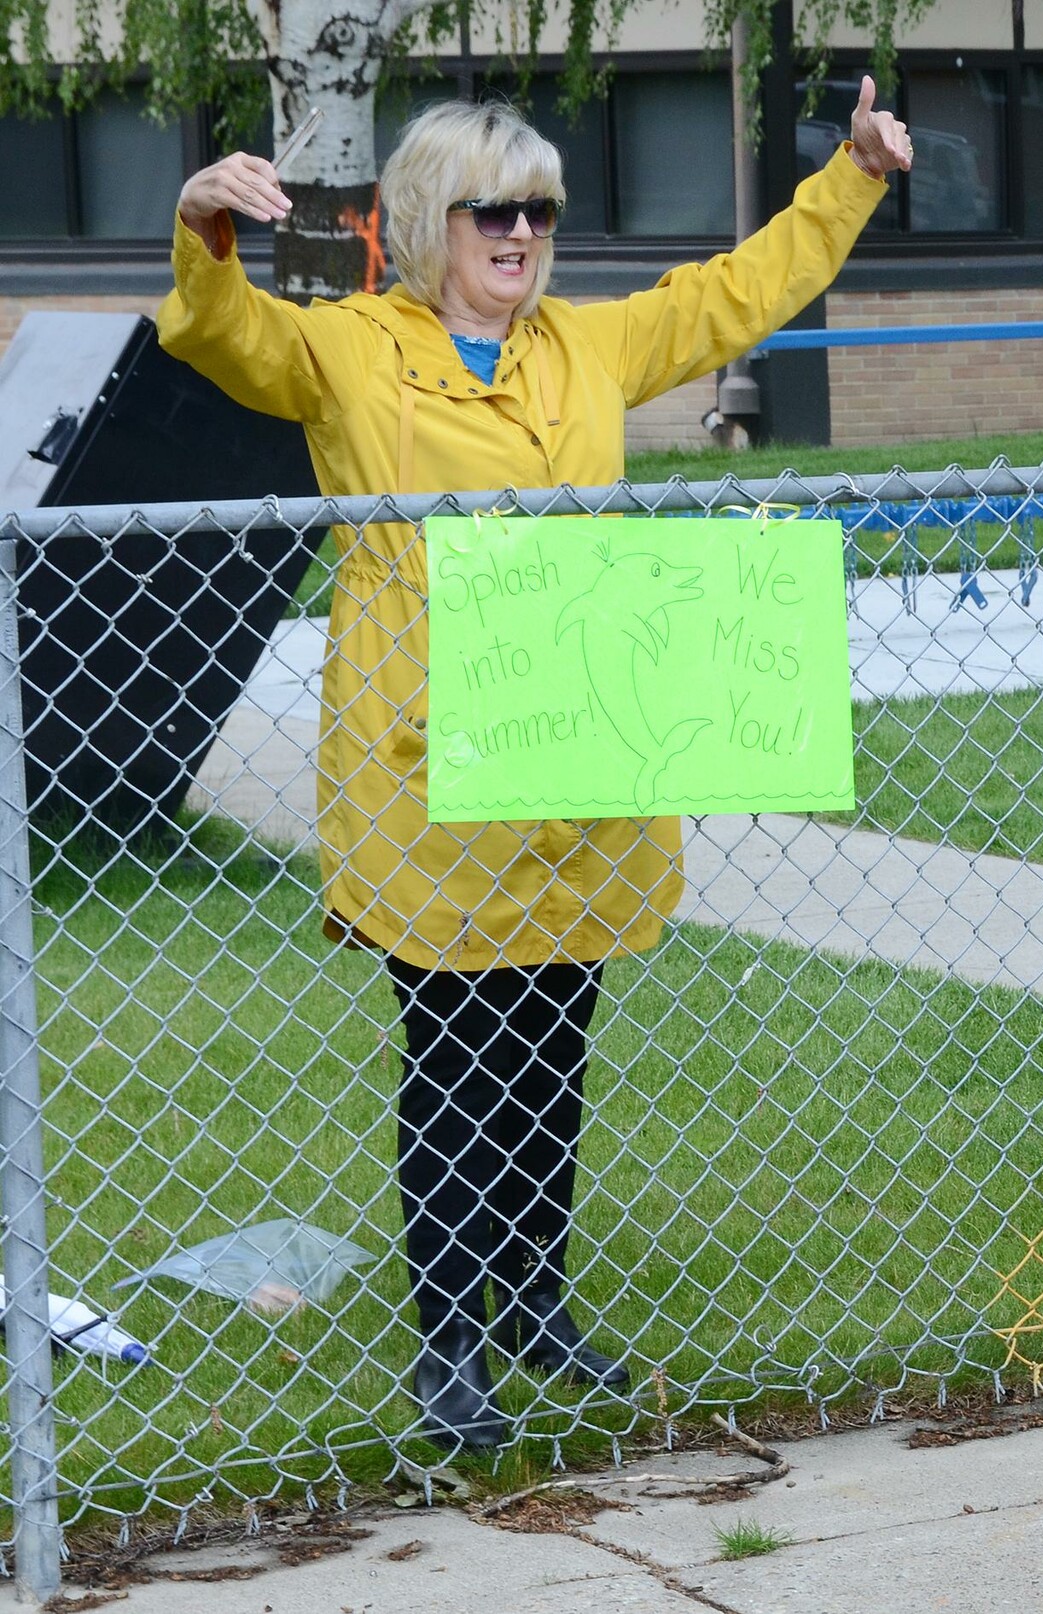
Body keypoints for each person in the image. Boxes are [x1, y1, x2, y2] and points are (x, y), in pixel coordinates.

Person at [158, 90, 913, 1449]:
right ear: (424, 221)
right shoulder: (350, 350)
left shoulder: (590, 345)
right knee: (456, 1055)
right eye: (492, 209)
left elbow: (738, 296)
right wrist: (204, 230)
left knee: (554, 1046)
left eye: (540, 210)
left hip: (577, 756)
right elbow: (231, 340)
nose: (521, 233)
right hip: (428, 767)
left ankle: (534, 1305)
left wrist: (848, 179)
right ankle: (452, 1342)